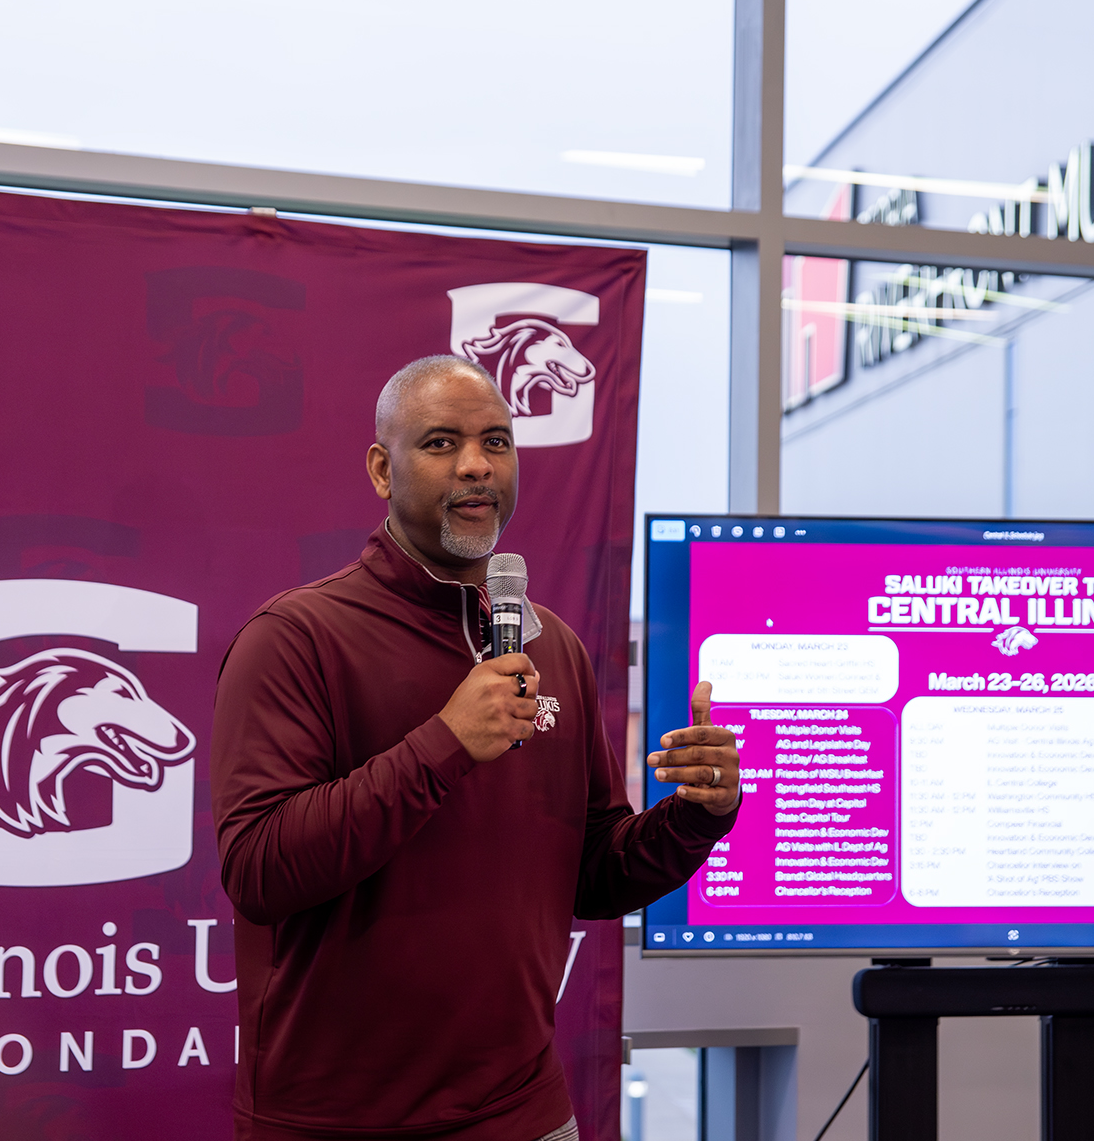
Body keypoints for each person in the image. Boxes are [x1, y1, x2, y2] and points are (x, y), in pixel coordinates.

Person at [211, 355, 740, 1141]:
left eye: (497, 441)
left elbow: (591, 875)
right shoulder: (295, 638)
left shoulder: (550, 644)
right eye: (439, 443)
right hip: (337, 1122)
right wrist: (445, 744)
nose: (475, 466)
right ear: (382, 470)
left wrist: (698, 816)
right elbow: (258, 869)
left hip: (524, 1113)